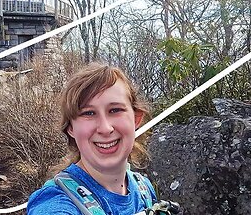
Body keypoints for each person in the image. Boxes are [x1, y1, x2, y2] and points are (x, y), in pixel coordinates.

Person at [27, 62, 157, 215]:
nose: (105, 128)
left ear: (136, 119)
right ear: (71, 128)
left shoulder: (144, 189)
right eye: (88, 113)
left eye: (115, 110)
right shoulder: (55, 202)